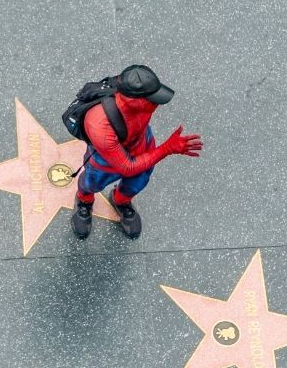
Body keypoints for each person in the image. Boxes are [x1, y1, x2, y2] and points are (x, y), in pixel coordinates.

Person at [71, 64, 202, 240]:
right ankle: (84, 201)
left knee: (137, 182)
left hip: (141, 144)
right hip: (106, 161)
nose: (158, 103)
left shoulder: (135, 96)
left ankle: (121, 201)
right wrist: (167, 148)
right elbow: (127, 167)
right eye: (152, 99)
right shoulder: (99, 125)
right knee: (92, 183)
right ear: (135, 101)